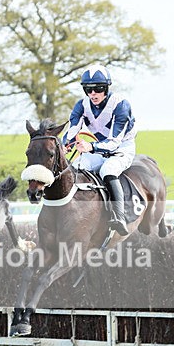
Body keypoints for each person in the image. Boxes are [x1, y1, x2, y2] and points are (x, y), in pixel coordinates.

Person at [62, 64, 139, 236]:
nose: (93, 94)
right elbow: (73, 130)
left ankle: (119, 216)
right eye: (88, 90)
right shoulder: (81, 105)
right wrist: (64, 146)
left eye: (98, 89)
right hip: (97, 148)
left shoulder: (121, 105)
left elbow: (113, 142)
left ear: (106, 88)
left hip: (121, 148)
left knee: (108, 170)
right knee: (76, 168)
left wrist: (90, 147)